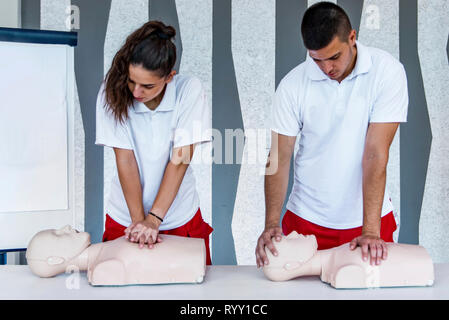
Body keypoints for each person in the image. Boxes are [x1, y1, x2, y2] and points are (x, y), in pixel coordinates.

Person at [256, 2, 408, 268]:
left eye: (334, 57)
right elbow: (278, 157)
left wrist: (371, 230)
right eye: (317, 59)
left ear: (352, 37)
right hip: (305, 221)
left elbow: (374, 153)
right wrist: (271, 223)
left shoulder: (387, 72)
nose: (326, 68)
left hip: (369, 221)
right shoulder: (293, 85)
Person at [95, 21, 213, 265]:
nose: (136, 92)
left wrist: (154, 220)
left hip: (178, 217)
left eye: (147, 86)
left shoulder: (189, 91)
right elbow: (125, 159)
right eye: (131, 81)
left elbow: (179, 160)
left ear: (170, 77)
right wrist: (140, 223)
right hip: (126, 216)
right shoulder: (112, 90)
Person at [26, 226, 206, 285]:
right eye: (57, 234)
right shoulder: (102, 269)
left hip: (194, 253)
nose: (65, 227)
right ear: (55, 260)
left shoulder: (104, 254)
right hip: (194, 264)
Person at [262, 231, 434, 289]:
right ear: (291, 265)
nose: (292, 233)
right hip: (423, 267)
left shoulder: (335, 259)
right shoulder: (342, 271)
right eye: (287, 239)